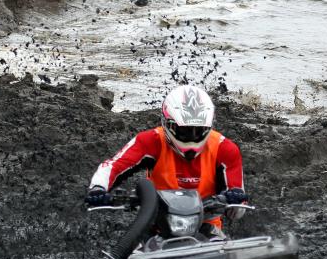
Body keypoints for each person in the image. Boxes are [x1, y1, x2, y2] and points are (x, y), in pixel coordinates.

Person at [85, 85, 247, 236]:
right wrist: (98, 188)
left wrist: (235, 197)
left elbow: (238, 210)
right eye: (184, 131)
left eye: (198, 131)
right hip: (156, 226)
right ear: (167, 124)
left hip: (207, 226)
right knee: (128, 255)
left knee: (229, 255)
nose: (191, 137)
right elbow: (114, 165)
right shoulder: (150, 141)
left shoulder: (225, 149)